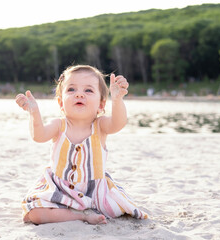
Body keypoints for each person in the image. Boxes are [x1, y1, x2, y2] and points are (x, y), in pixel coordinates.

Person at [15, 65, 148, 225]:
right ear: (61, 103)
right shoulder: (59, 125)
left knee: (117, 209)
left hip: (95, 191)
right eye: (71, 89)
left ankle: (84, 210)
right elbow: (39, 136)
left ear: (101, 104)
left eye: (88, 90)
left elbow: (118, 123)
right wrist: (34, 113)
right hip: (61, 189)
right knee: (34, 214)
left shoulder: (100, 126)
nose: (79, 94)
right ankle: (80, 216)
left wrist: (118, 99)